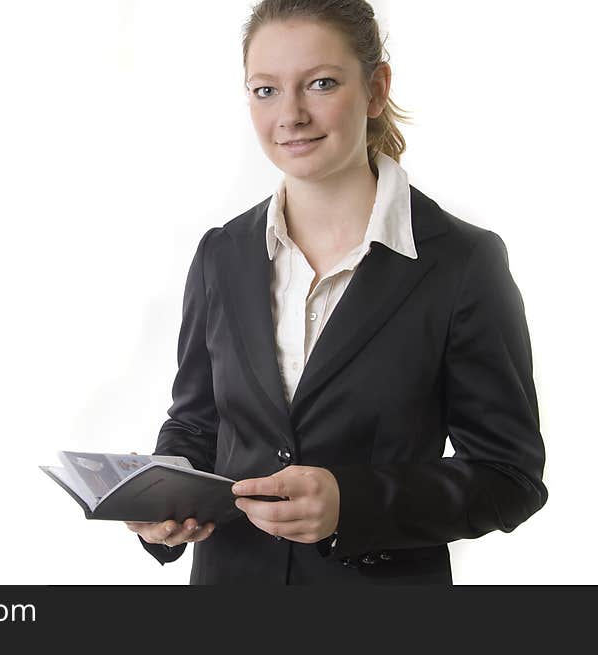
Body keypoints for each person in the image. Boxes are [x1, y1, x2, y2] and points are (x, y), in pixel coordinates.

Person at [125, 0, 548, 585]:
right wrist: (163, 494)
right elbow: (198, 425)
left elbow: (510, 476)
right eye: (265, 89)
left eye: (320, 84)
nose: (290, 114)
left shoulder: (462, 264)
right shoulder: (220, 254)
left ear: (376, 90)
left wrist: (356, 503)